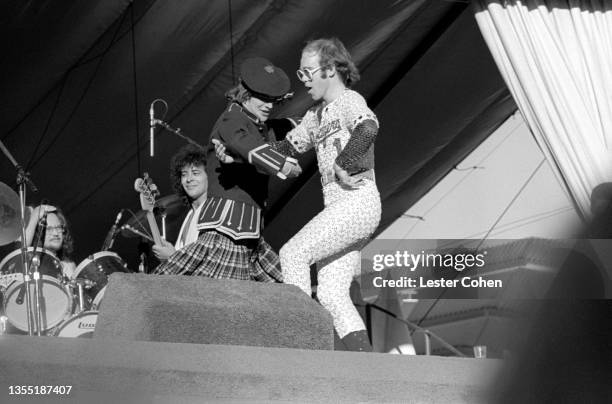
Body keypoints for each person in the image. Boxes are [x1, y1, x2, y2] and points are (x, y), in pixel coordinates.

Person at [273, 38, 382, 351]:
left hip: (357, 203)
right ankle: (367, 367)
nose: (303, 80)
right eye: (301, 73)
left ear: (331, 68)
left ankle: (299, 347)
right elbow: (285, 148)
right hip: (342, 208)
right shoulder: (315, 116)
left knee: (292, 254)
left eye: (308, 72)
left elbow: (368, 128)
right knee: (332, 295)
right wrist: (243, 149)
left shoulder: (350, 100)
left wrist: (343, 161)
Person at [154, 57, 301, 281]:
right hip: (227, 228)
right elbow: (246, 144)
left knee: (289, 289)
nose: (269, 106)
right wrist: (283, 165)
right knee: (222, 298)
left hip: (249, 233)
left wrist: (319, 118)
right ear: (246, 94)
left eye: (273, 100)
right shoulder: (232, 120)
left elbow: (285, 128)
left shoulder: (259, 126)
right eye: (263, 98)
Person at [151, 144, 209, 268]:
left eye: (195, 172)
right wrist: (170, 255)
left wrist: (172, 257)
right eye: (184, 174)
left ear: (209, 177)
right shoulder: (190, 215)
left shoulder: (211, 212)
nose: (189, 179)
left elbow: (206, 265)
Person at [24, 204, 76, 279]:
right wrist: (35, 216)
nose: (55, 233)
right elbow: (20, 250)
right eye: (48, 229)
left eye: (58, 228)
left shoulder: (69, 266)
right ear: (36, 234)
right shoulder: (29, 264)